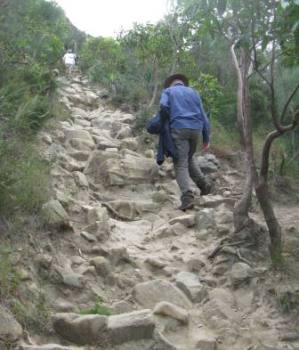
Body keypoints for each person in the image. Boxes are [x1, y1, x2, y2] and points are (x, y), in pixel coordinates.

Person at [155, 73, 212, 211]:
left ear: (171, 84)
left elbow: (163, 106)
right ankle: (204, 185)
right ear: (182, 83)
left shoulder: (168, 91)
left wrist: (165, 122)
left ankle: (187, 198)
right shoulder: (194, 93)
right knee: (189, 157)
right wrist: (206, 138)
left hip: (179, 129)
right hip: (196, 130)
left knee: (180, 163)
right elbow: (204, 116)